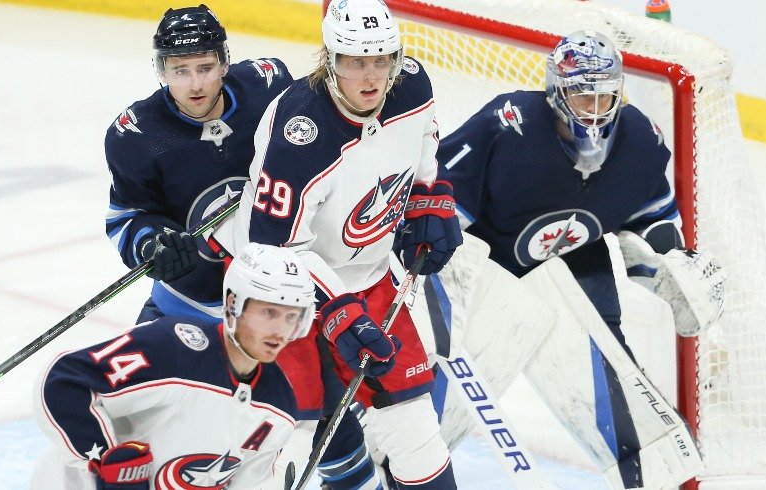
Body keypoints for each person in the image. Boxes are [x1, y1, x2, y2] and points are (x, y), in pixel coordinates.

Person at [431, 30, 723, 487]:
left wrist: (672, 264)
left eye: (604, 96)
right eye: (581, 96)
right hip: (492, 268)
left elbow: (653, 215)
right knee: (436, 401)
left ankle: (656, 478)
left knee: (619, 390)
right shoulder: (509, 125)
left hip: (579, 265)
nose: (593, 109)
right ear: (556, 92)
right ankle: (396, 465)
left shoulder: (640, 142)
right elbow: (439, 201)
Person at [213, 0, 462, 488]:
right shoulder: (301, 131)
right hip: (284, 299)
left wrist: (430, 198)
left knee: (415, 435)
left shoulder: (412, 85)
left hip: (370, 281)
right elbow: (274, 252)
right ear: (328, 60)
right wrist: (337, 309)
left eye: (380, 60)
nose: (370, 77)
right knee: (288, 441)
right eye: (353, 62)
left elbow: (425, 143)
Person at [31, 242, 323, 490]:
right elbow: (64, 382)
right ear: (234, 304)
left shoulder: (279, 406)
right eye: (269, 312)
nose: (279, 331)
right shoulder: (171, 348)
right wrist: (107, 461)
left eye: (290, 317)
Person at [104, 5, 293, 325]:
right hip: (189, 305)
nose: (195, 85)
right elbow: (127, 217)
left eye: (205, 67)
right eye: (181, 70)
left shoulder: (269, 89)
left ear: (224, 64)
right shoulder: (138, 136)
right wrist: (151, 244)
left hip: (278, 298)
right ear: (161, 71)